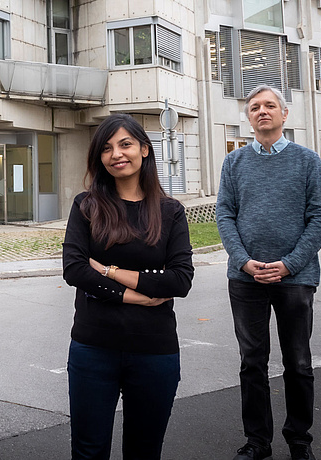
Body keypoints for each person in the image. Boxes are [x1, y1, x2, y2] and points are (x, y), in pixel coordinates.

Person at [62, 113, 194, 460]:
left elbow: (180, 279)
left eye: (125, 144)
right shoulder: (86, 205)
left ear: (145, 150)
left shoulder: (171, 211)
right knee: (89, 450)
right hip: (93, 347)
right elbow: (75, 270)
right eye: (106, 148)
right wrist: (137, 295)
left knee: (144, 451)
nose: (116, 154)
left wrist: (109, 271)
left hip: (154, 350)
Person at [217, 85, 321, 460]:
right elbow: (225, 215)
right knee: (252, 362)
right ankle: (257, 443)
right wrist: (242, 259)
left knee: (298, 362)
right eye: (255, 107)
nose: (262, 111)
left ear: (284, 115)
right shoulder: (234, 163)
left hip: (295, 279)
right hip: (245, 277)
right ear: (248, 118)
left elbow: (320, 217)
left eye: (269, 106)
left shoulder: (307, 161)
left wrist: (290, 264)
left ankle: (300, 442)